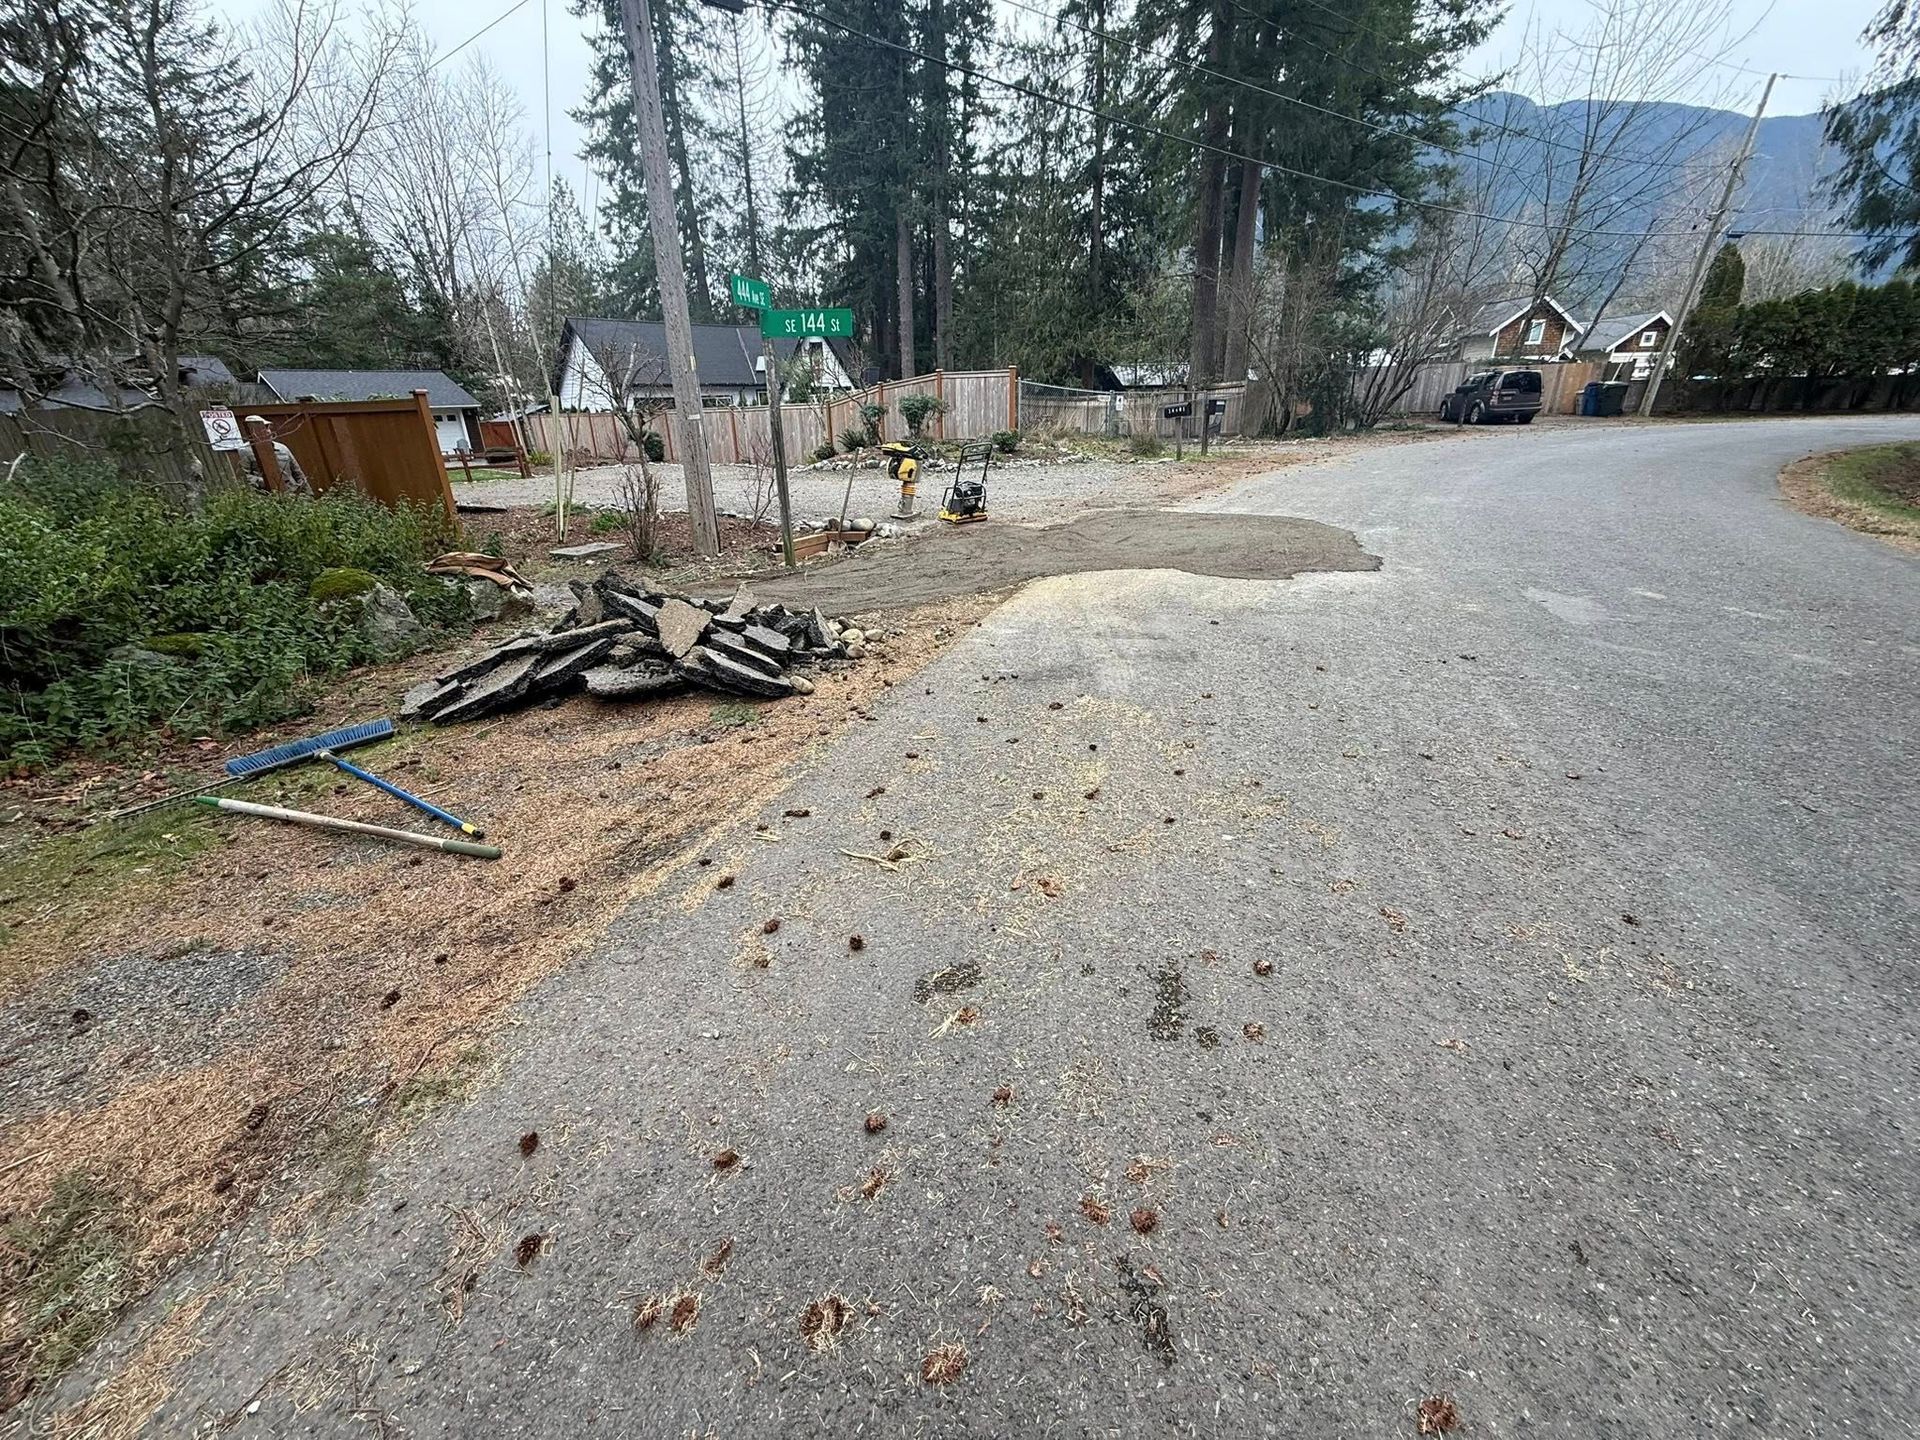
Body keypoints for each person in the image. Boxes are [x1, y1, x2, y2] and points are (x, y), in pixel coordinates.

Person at [240, 416, 312, 496]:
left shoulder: (282, 448)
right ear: (252, 431)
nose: (268, 431)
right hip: (267, 497)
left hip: (292, 494)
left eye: (268, 427)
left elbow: (298, 473)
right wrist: (265, 482)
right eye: (263, 428)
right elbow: (244, 476)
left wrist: (309, 494)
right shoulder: (245, 450)